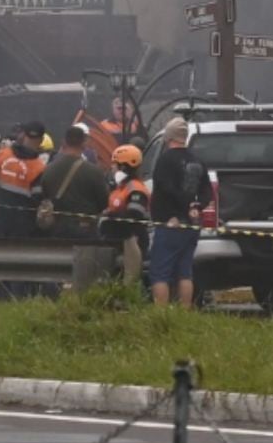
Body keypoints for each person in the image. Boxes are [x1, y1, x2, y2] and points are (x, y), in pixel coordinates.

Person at [149, 117, 210, 308]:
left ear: (168, 137)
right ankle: (185, 312)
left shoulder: (165, 160)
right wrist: (196, 207)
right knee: (185, 272)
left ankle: (161, 314)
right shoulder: (197, 160)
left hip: (170, 222)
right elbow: (208, 191)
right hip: (192, 225)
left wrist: (176, 212)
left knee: (160, 273)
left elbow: (165, 189)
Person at [40, 125, 109, 238]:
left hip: (57, 229)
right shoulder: (94, 172)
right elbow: (104, 203)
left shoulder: (49, 169)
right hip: (85, 230)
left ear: (64, 142)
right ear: (84, 144)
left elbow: (44, 196)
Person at [100, 144, 150, 286]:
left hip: (132, 242)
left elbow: (135, 214)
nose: (112, 168)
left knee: (129, 281)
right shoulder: (120, 187)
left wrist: (113, 217)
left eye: (114, 165)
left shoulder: (135, 189)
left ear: (124, 167)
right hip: (118, 241)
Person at [0, 120, 48, 238]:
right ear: (41, 141)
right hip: (22, 224)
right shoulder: (39, 167)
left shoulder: (3, 154)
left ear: (23, 135)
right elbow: (37, 199)